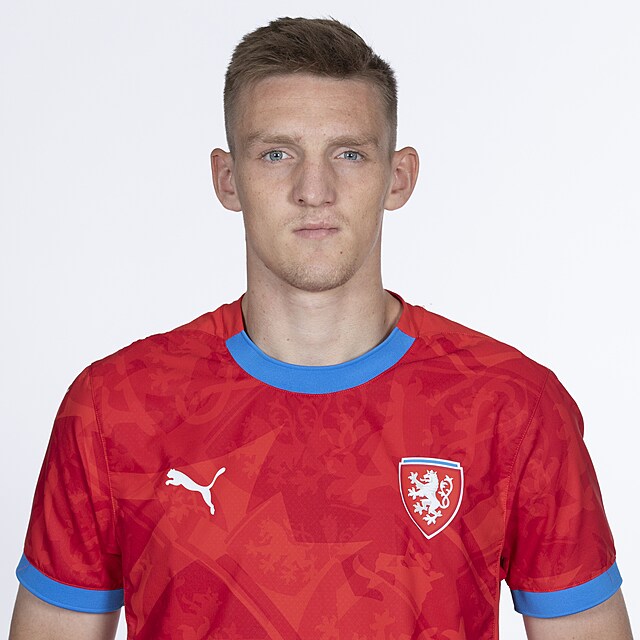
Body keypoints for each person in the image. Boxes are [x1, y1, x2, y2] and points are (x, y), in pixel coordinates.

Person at [9, 16, 633, 640]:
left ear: (398, 177)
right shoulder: (115, 407)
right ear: (228, 178)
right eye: (276, 154)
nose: (314, 190)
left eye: (349, 154)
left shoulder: (514, 407)